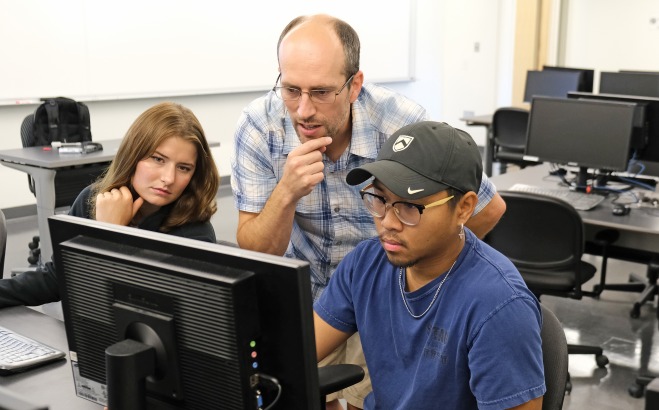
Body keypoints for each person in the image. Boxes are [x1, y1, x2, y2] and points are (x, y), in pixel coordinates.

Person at [230, 14, 506, 409]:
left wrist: (415, 265)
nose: (303, 110)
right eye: (291, 89)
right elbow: (257, 252)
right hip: (307, 299)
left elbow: (486, 208)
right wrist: (286, 193)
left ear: (354, 85)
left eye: (322, 92)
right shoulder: (260, 127)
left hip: (387, 301)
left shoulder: (400, 124)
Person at [314, 120, 544, 409]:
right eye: (379, 199)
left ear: (464, 208)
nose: (387, 222)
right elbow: (301, 352)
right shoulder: (365, 263)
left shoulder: (499, 305)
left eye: (410, 206)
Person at [0, 101, 220, 307]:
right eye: (158, 159)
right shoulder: (91, 200)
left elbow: (130, 303)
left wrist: (111, 233)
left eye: (184, 168)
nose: (169, 178)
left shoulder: (195, 234)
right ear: (133, 155)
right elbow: (58, 277)